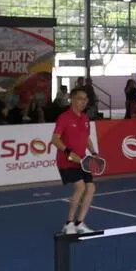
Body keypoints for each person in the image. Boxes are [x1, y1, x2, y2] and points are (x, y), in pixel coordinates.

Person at [50, 86, 98, 234]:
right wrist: (69, 152)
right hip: (67, 160)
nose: (83, 102)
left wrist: (94, 152)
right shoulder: (64, 117)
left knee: (91, 188)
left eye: (86, 99)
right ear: (72, 99)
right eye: (80, 99)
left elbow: (86, 137)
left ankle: (80, 223)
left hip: (82, 160)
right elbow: (54, 139)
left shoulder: (85, 118)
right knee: (81, 187)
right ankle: (69, 224)